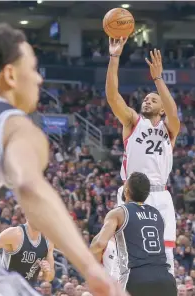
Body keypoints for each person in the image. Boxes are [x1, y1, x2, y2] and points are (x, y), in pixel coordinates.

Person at [0, 23, 126, 296]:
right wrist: (91, 268)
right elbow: (29, 187)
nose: (39, 79)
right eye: (32, 69)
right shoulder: (15, 124)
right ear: (10, 75)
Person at [106, 37, 180, 274]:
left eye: (153, 99)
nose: (147, 100)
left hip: (161, 195)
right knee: (125, 254)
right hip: (133, 194)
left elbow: (173, 110)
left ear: (161, 108)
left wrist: (158, 79)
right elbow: (112, 96)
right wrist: (114, 58)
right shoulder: (132, 121)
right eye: (145, 98)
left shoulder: (170, 129)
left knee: (166, 257)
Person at [90, 172, 177, 296]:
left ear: (126, 190)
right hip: (165, 280)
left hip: (136, 278)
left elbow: (99, 243)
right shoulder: (158, 215)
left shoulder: (119, 213)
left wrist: (91, 264)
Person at [0, 220, 55, 285]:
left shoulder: (48, 241)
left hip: (28, 289)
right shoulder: (15, 234)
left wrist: (47, 272)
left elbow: (49, 278)